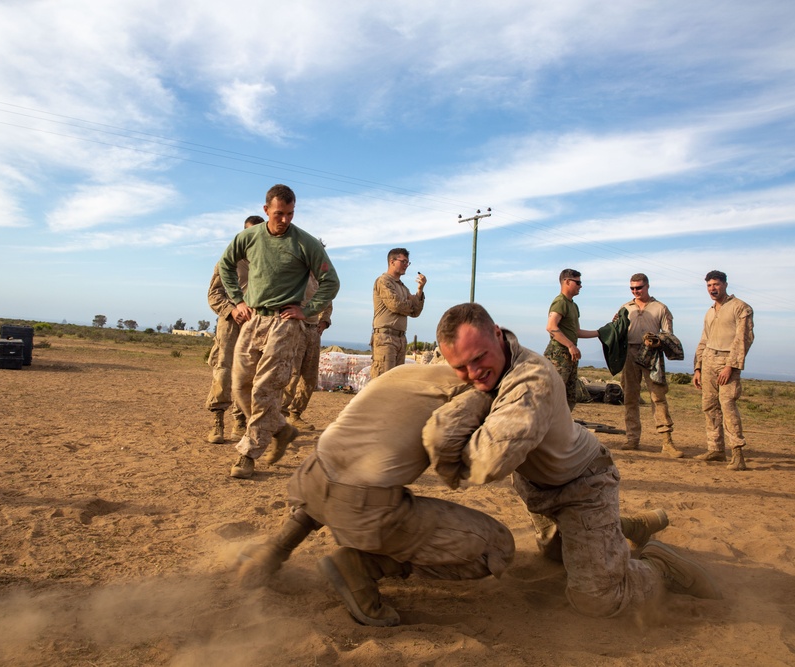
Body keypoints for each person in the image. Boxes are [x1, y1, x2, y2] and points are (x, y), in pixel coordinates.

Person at [236, 362, 668, 626]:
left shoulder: (407, 372)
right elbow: (472, 461)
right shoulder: (474, 394)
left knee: (347, 464)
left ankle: (274, 552)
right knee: (496, 547)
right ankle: (361, 567)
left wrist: (276, 550)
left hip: (313, 472)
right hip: (365, 507)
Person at [428, 302, 721, 619]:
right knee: (557, 557)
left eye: (479, 358)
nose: (472, 373)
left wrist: (440, 446)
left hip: (584, 485)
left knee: (597, 599)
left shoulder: (531, 380)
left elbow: (488, 462)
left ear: (497, 334)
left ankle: (659, 565)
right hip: (538, 489)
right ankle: (626, 526)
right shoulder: (488, 366)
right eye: (460, 366)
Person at [218, 184, 340, 479]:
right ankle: (282, 430)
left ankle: (248, 454)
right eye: (279, 213)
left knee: (264, 389)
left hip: (285, 323)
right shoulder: (248, 237)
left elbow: (331, 282)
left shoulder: (306, 243)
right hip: (253, 319)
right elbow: (225, 266)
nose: (284, 219)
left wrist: (307, 310)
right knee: (240, 386)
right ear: (266, 210)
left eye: (289, 213)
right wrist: (236, 302)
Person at [205, 215, 263, 444]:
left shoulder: (265, 266)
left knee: (251, 375)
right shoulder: (227, 262)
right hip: (230, 324)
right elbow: (214, 295)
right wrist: (232, 310)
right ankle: (217, 420)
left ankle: (240, 421)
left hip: (256, 327)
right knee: (224, 370)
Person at [692, 271, 754, 471]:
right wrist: (698, 367)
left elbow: (743, 339)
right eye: (709, 285)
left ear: (725, 285)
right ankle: (716, 449)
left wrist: (731, 366)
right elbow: (704, 339)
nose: (712, 288)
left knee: (727, 406)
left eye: (716, 284)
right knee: (709, 406)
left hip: (727, 361)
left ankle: (737, 453)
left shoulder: (740, 308)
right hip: (708, 360)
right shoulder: (710, 311)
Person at [619, 273, 683, 457]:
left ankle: (666, 442)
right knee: (630, 397)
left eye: (639, 287)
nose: (635, 291)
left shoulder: (661, 308)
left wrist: (657, 341)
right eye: (632, 288)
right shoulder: (625, 308)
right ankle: (632, 439)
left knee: (658, 397)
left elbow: (669, 335)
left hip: (652, 355)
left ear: (647, 286)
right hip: (629, 354)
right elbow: (618, 331)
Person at [282, 274, 333, 431]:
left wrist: (324, 321)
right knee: (292, 375)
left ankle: (295, 414)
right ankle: (279, 416)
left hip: (313, 331)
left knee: (310, 378)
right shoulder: (297, 272)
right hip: (297, 328)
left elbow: (328, 302)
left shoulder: (320, 279)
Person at [545, 269, 599, 411]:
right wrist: (570, 345)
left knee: (569, 397)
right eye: (578, 282)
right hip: (558, 354)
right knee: (554, 395)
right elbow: (551, 327)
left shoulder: (573, 306)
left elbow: (576, 332)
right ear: (567, 282)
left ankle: (562, 428)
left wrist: (600, 333)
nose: (580, 286)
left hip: (570, 355)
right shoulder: (560, 302)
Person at [370, 248, 425, 378]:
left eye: (408, 262)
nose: (406, 265)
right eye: (403, 261)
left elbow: (416, 312)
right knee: (383, 381)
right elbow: (395, 305)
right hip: (385, 339)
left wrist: (420, 290)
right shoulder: (383, 281)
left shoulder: (403, 288)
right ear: (392, 261)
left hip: (400, 339)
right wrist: (410, 304)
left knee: (395, 381)